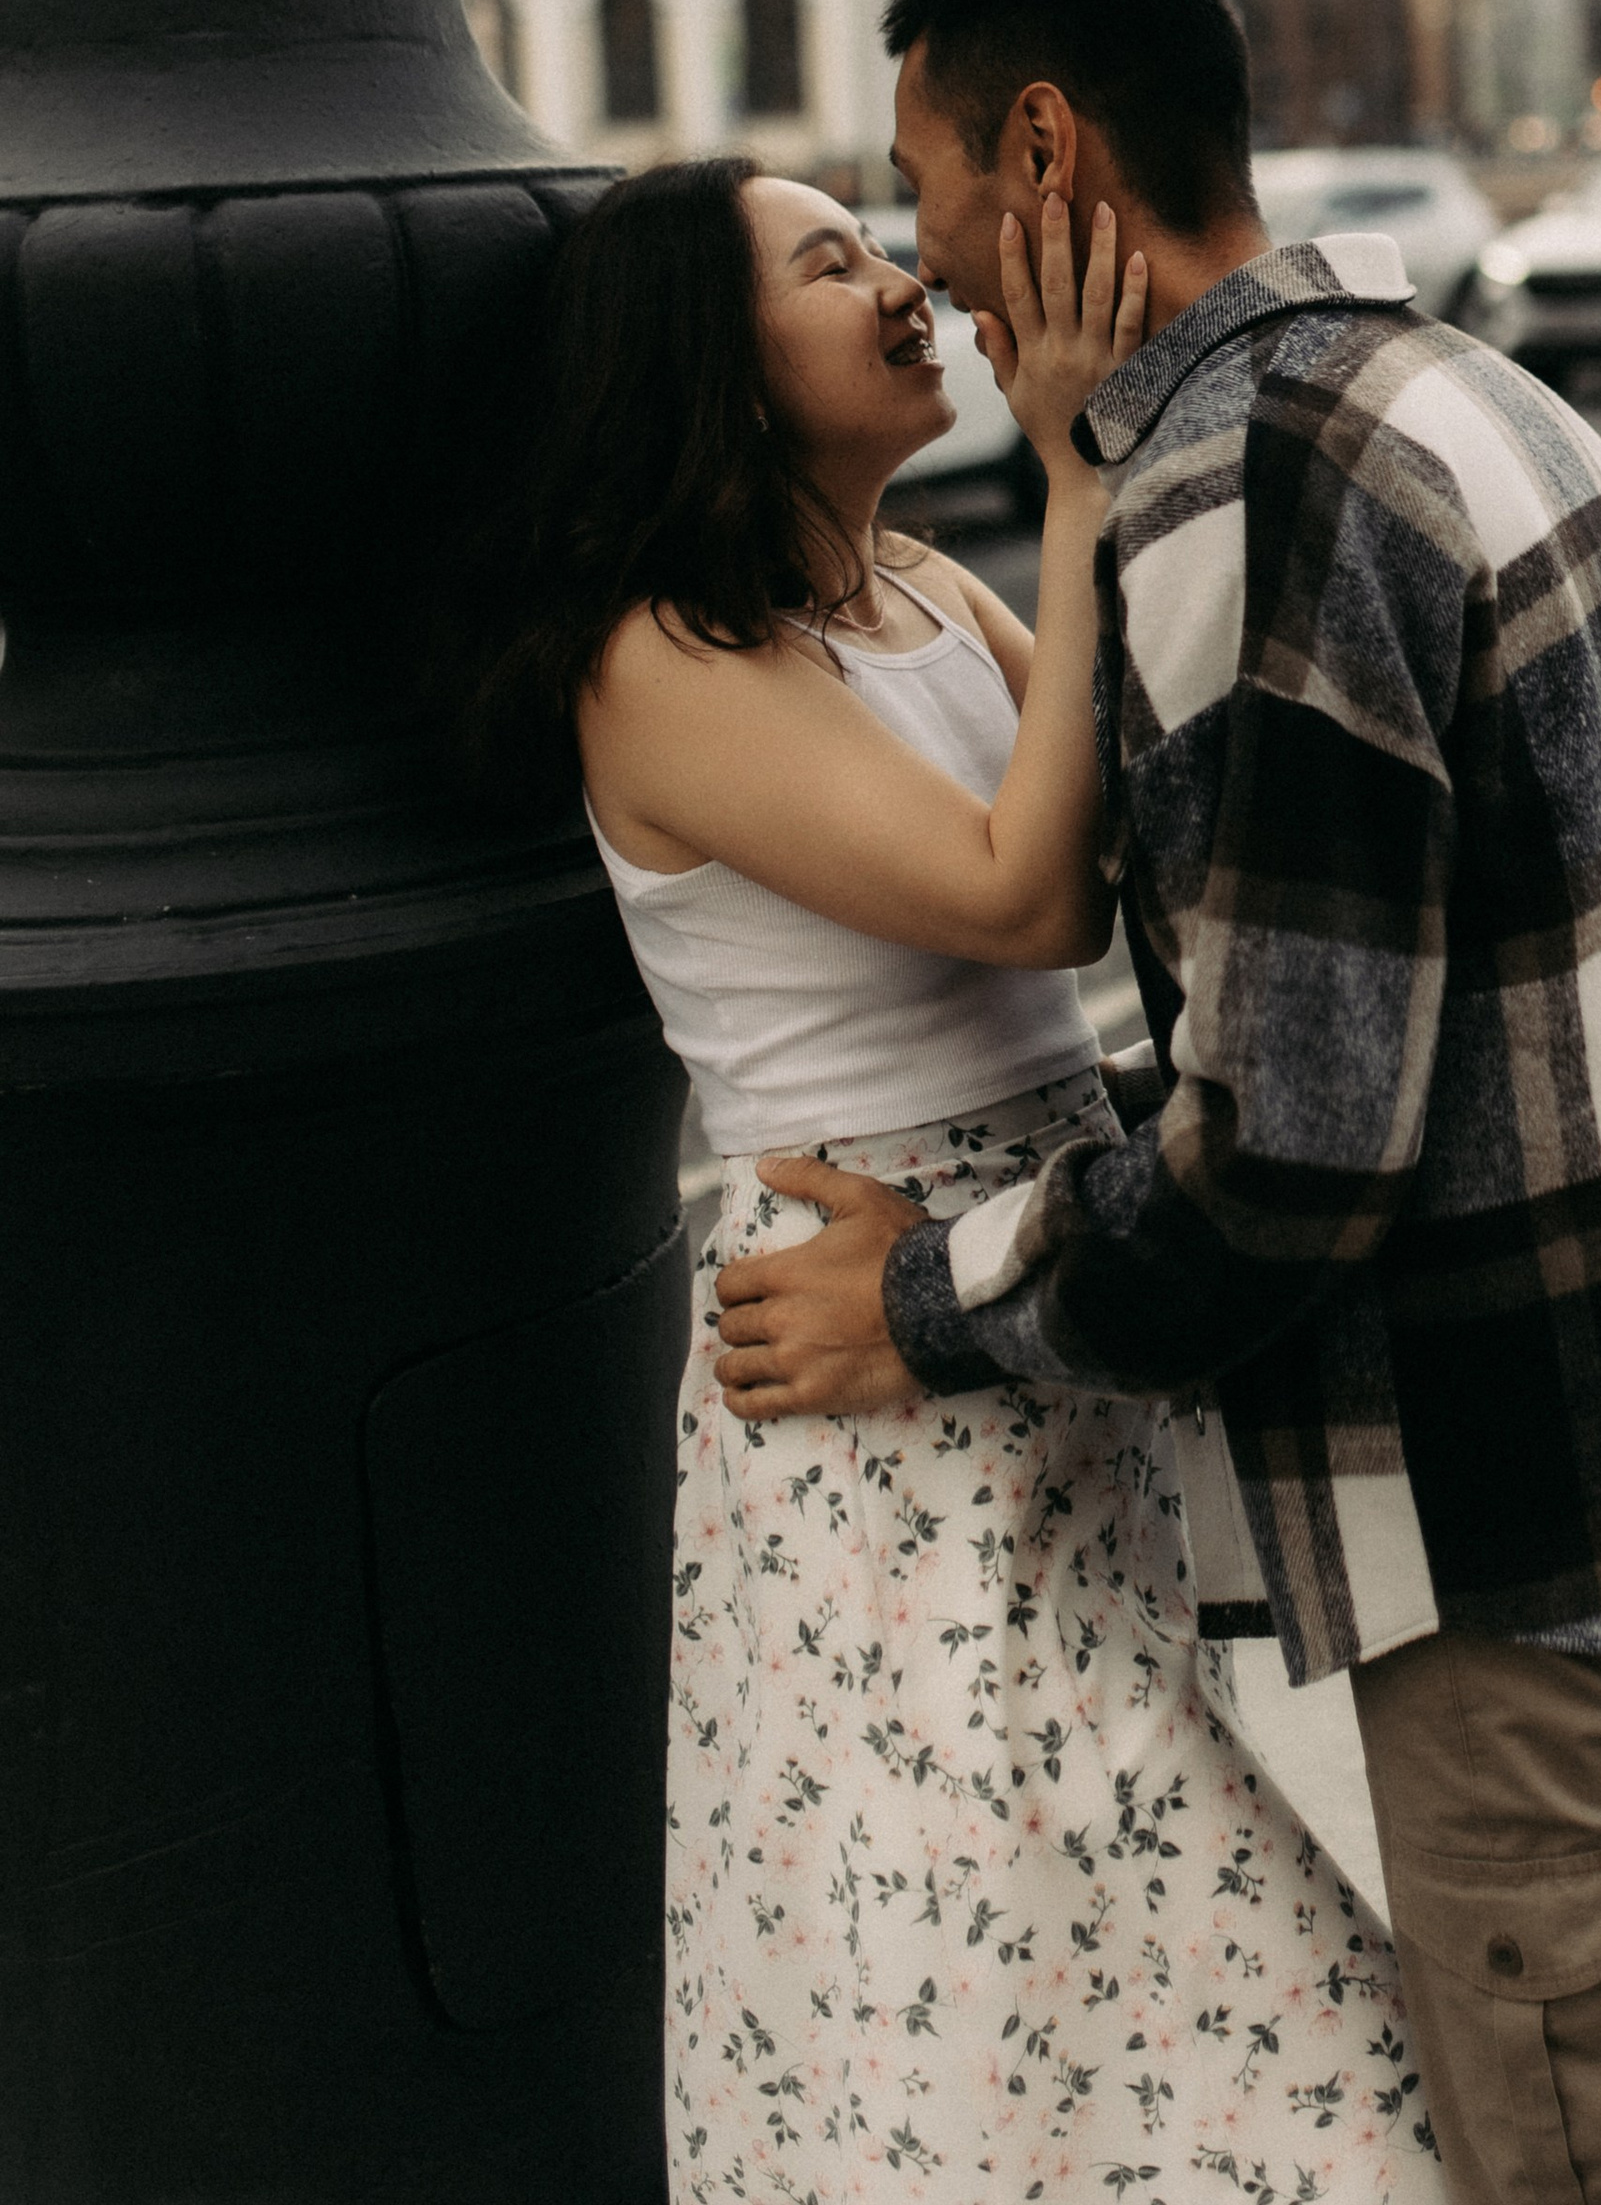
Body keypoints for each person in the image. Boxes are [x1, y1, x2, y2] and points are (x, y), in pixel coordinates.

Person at [711, 0, 1601, 2205]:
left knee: (1595, 2155)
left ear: (1045, 147)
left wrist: (921, 1301)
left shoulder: (1251, 486)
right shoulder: (1441, 386)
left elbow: (1292, 1142)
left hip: (1510, 1479)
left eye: (918, 176)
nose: (923, 250)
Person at [473, 153, 1442, 2196]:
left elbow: (1099, 846)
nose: (902, 280)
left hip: (1009, 1295)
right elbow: (1019, 893)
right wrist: (1085, 472)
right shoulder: (659, 652)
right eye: (828, 262)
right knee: (1020, 1948)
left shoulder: (914, 583)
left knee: (1063, 1944)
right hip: (869, 1350)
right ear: (707, 362)